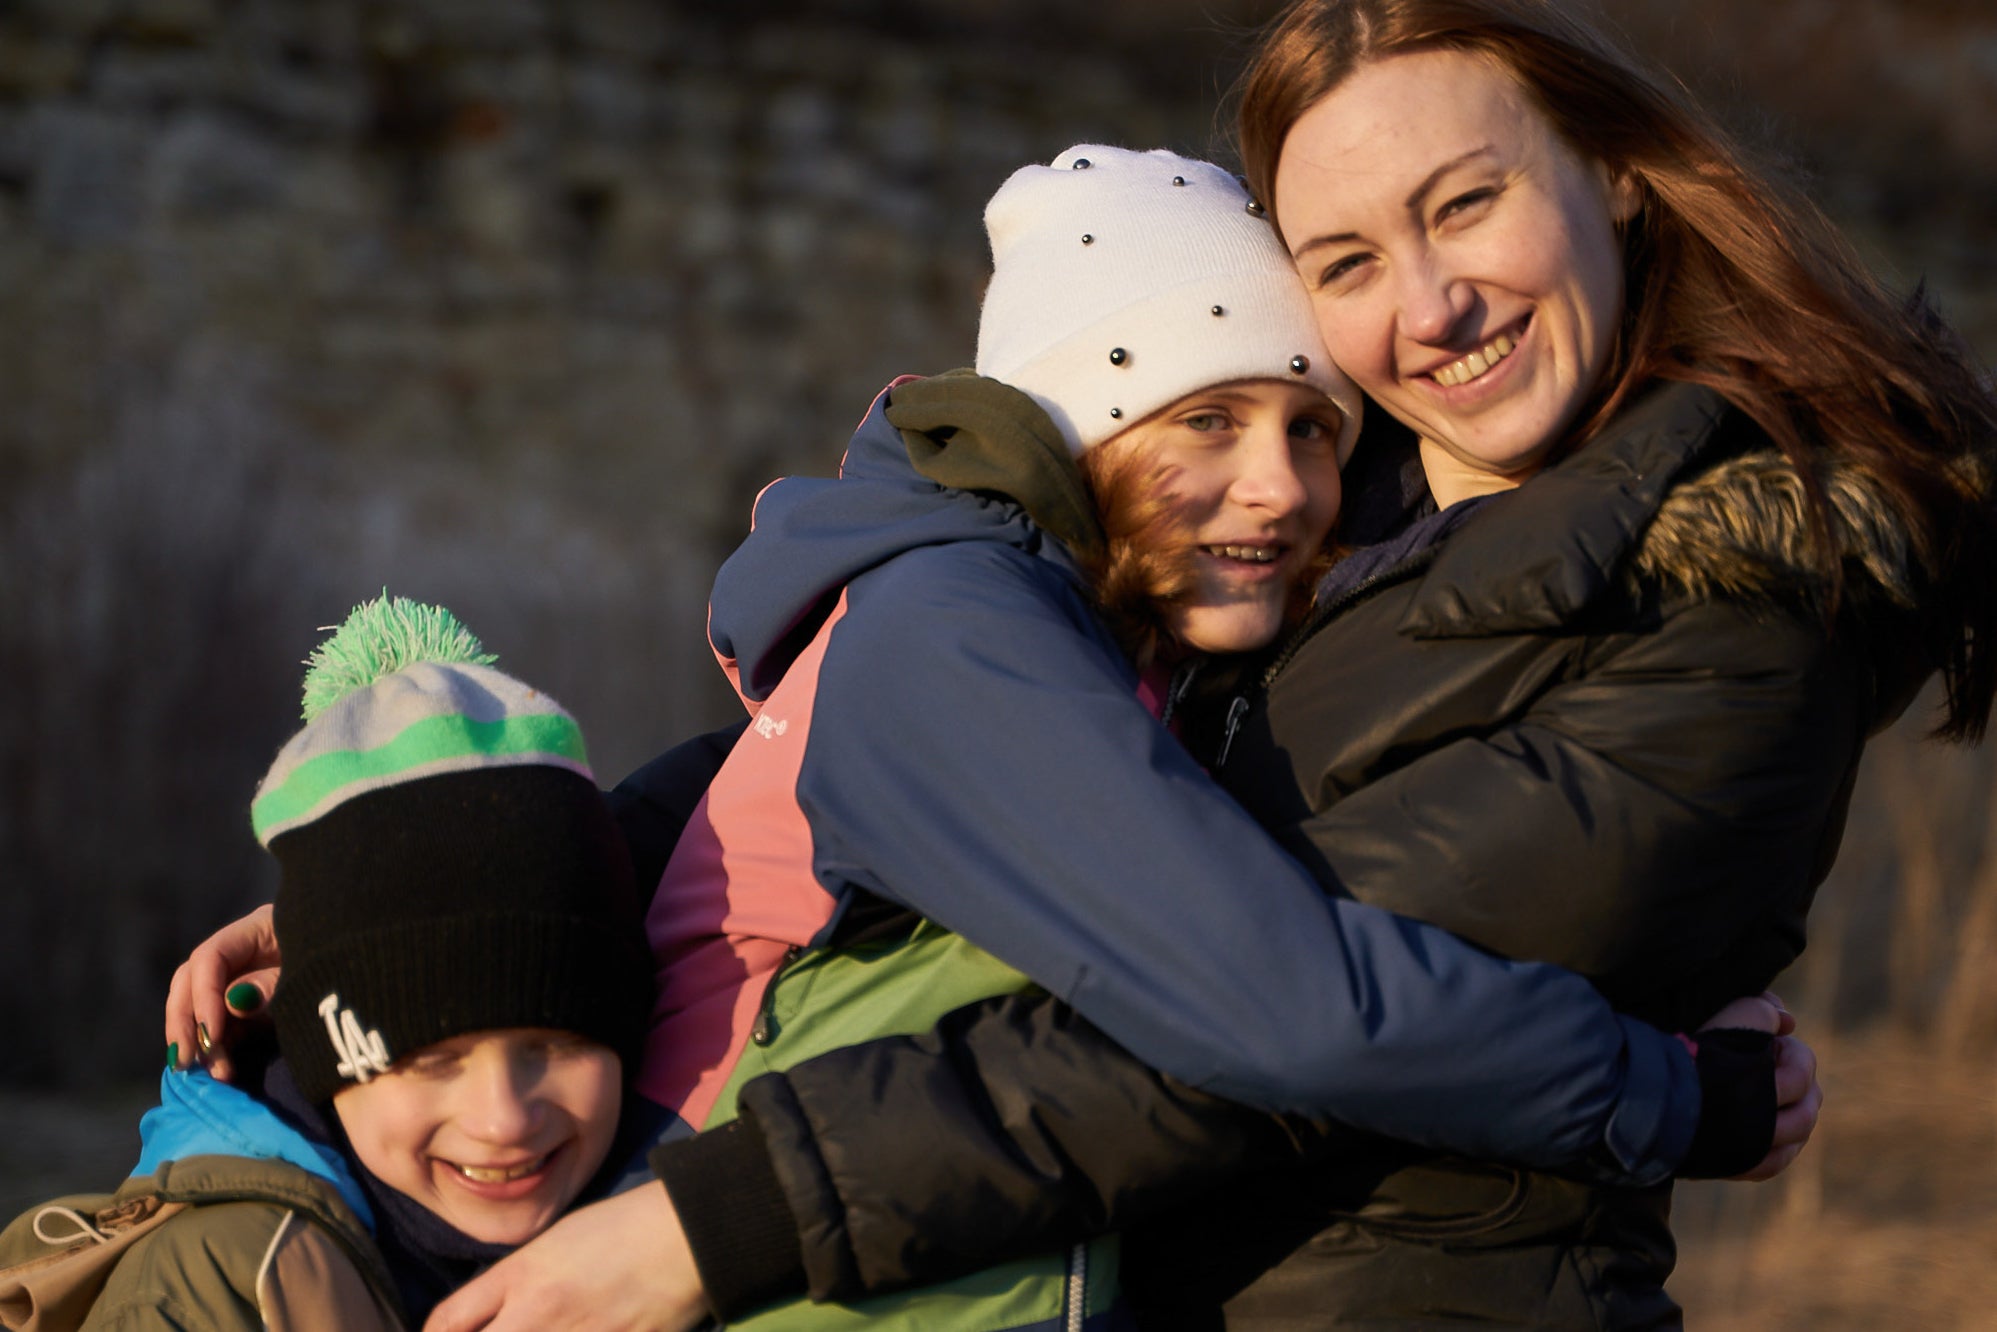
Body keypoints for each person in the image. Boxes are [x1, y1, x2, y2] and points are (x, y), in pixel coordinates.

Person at [465, 3, 1989, 1328]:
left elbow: (1231, 1027)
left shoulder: (1731, 619)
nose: (1429, 304)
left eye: (1466, 205)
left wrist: (721, 1218)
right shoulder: (1303, 535)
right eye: (1345, 257)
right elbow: (819, 794)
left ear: (1614, 176)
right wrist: (483, 893)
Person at [170, 143, 1820, 1332]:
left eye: (1313, 429)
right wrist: (1666, 1090)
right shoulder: (962, 632)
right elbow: (1283, 1006)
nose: (1282, 488)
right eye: (1208, 422)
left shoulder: (1049, 619)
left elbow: (740, 818)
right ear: (1079, 427)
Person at [0, 597, 654, 1330]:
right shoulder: (214, 1293)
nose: (503, 1117)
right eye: (432, 1058)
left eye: (557, 1043)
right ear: (323, 1054)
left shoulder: (650, 1226)